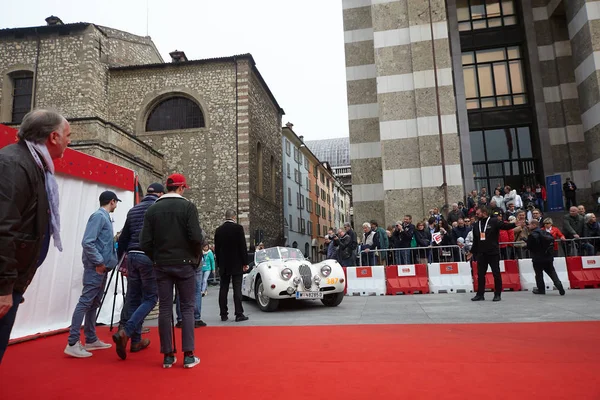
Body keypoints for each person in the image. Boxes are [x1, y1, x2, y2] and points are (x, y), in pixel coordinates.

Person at [0, 109, 70, 363]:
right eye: (67, 135)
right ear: (53, 137)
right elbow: (3, 227)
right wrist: (4, 286)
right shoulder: (14, 164)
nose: (69, 141)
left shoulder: (33, 164)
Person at [140, 173, 203, 369]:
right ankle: (189, 354)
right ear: (182, 188)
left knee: (165, 309)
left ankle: (168, 355)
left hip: (162, 264)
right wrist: (195, 258)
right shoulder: (188, 207)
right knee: (187, 307)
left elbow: (145, 242)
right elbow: (196, 237)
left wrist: (156, 258)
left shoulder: (152, 210)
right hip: (185, 263)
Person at [64, 191, 121, 358]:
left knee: (94, 302)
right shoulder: (99, 217)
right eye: (116, 202)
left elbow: (95, 242)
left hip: (101, 267)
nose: (116, 206)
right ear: (112, 201)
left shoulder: (103, 218)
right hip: (96, 268)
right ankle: (73, 342)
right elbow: (87, 242)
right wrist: (99, 262)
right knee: (86, 302)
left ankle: (90, 338)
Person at [112, 183, 164, 360]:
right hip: (148, 256)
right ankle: (127, 331)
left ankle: (136, 341)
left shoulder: (134, 210)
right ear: (160, 194)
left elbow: (125, 236)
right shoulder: (158, 208)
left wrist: (120, 260)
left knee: (133, 297)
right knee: (150, 298)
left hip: (132, 255)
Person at [470, 206, 517, 302]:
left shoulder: (493, 221)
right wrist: (471, 252)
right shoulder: (476, 225)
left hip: (493, 253)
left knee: (496, 273)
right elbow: (475, 241)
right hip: (481, 254)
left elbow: (505, 226)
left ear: (484, 212)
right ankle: (480, 294)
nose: (476, 215)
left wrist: (515, 224)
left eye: (478, 213)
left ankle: (497, 294)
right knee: (480, 274)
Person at [214, 209, 249, 323]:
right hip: (236, 263)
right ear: (234, 217)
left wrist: (218, 264)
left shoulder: (219, 230)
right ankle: (239, 314)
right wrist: (245, 263)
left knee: (223, 289)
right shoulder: (238, 229)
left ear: (226, 217)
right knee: (237, 289)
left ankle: (223, 314)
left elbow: (217, 250)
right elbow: (242, 247)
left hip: (224, 264)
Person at [524, 220, 566, 296]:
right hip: (548, 257)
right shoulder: (545, 233)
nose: (528, 226)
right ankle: (559, 285)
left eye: (529, 224)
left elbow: (529, 246)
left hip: (537, 258)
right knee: (552, 272)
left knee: (539, 274)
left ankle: (541, 289)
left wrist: (526, 243)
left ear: (534, 225)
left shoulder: (532, 235)